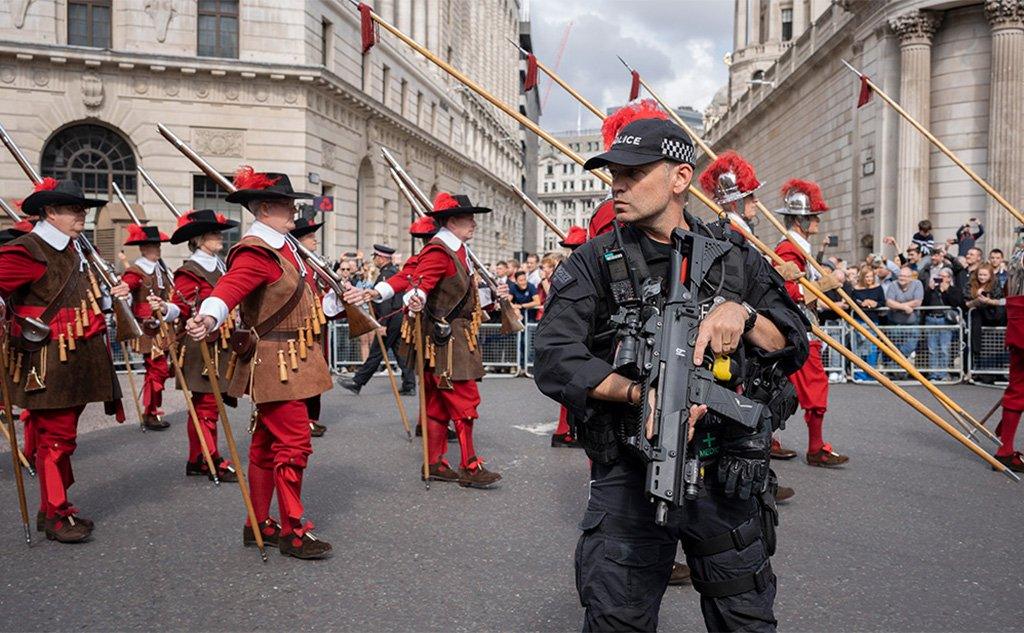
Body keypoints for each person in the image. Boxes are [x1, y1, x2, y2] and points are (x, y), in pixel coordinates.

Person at [534, 100, 809, 632]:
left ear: (680, 177)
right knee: (617, 616)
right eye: (614, 175)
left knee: (744, 618)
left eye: (634, 174)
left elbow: (791, 338)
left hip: (726, 473)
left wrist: (744, 314)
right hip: (631, 472)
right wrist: (638, 394)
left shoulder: (736, 257)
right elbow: (553, 354)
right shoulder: (594, 261)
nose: (618, 186)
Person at [186, 166, 336, 559]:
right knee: (293, 445)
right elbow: (229, 289)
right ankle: (293, 530)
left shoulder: (287, 248)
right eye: (287, 205)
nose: (294, 212)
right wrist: (210, 314)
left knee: (267, 446)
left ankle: (259, 523)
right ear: (266, 207)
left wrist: (339, 302)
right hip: (276, 360)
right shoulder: (257, 250)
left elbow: (306, 301)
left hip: (294, 356)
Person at [0, 178, 132, 543]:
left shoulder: (76, 250)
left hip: (77, 358)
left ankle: (51, 507)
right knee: (55, 438)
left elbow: (84, 298)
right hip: (47, 359)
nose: (82, 215)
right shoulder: (28, 250)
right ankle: (56, 512)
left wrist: (111, 298)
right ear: (49, 212)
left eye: (82, 209)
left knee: (60, 437)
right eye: (74, 209)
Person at [347, 192, 503, 488]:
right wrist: (412, 297)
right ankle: (469, 465)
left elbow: (410, 274)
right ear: (453, 221)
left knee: (436, 403)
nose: (474, 224)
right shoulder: (440, 250)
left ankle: (434, 462)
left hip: (449, 336)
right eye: (469, 218)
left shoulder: (453, 249)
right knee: (465, 400)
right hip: (449, 338)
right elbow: (418, 282)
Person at [698, 150, 799, 495]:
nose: (756, 202)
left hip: (755, 333)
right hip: (737, 344)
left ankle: (758, 482)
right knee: (739, 420)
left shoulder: (747, 237)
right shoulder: (727, 238)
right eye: (750, 196)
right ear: (737, 202)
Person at [774, 179, 850, 468]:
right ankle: (815, 448)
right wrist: (822, 288)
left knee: (780, 386)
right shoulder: (789, 249)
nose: (817, 221)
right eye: (813, 216)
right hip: (798, 327)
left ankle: (776, 441)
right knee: (814, 387)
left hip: (802, 325)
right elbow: (789, 292)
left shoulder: (800, 248)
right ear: (801, 220)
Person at [165, 208, 240, 482]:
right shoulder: (188, 271)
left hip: (223, 343)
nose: (220, 236)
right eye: (213, 233)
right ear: (198, 239)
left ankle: (197, 458)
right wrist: (165, 310)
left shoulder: (222, 266)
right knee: (206, 404)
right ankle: (211, 459)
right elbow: (180, 307)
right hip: (201, 344)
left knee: (209, 404)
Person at [339, 243, 417, 397]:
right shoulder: (392, 272)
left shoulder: (386, 275)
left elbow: (387, 303)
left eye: (375, 257)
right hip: (396, 318)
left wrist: (382, 324)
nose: (374, 260)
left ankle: (357, 382)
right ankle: (409, 384)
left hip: (390, 318)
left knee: (376, 351)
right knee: (399, 352)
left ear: (381, 258)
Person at [121, 224, 176, 431]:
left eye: (158, 246)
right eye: (153, 246)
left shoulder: (161, 270)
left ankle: (152, 410)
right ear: (143, 249)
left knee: (160, 370)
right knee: (157, 370)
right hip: (147, 328)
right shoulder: (136, 271)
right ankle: (150, 412)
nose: (158, 249)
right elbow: (126, 287)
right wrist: (124, 291)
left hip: (164, 325)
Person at [289, 217, 330, 437]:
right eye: (310, 237)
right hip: (302, 328)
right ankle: (303, 419)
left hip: (316, 328)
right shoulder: (297, 265)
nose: (315, 240)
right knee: (304, 375)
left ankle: (311, 418)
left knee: (316, 375)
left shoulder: (314, 264)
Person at [995, 235, 1024, 472]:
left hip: (1018, 325)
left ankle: (1005, 437)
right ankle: (1004, 445)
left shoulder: (1016, 256)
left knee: (1018, 388)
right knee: (1019, 389)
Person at [922, 266, 962, 382]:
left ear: (949, 278)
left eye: (943, 277)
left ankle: (943, 373)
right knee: (932, 348)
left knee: (944, 348)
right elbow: (925, 303)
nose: (940, 279)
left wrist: (946, 291)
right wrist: (929, 290)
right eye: (938, 276)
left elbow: (956, 303)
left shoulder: (954, 290)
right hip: (931, 319)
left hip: (944, 320)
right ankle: (933, 374)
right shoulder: (933, 289)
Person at [965, 263, 1006, 375]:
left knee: (995, 345)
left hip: (993, 315)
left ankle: (997, 373)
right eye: (980, 275)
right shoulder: (970, 285)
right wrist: (976, 301)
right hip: (977, 315)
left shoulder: (996, 284)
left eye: (984, 275)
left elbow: (1001, 301)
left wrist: (988, 301)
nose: (982, 277)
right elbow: (965, 303)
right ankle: (975, 368)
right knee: (975, 314)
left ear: (990, 276)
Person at [849, 265, 887, 380]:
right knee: (859, 348)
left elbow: (882, 302)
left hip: (872, 321)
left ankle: (871, 374)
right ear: (862, 277)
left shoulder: (878, 288)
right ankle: (859, 374)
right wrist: (861, 303)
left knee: (872, 348)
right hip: (859, 320)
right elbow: (853, 303)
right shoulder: (855, 289)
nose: (869, 279)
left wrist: (875, 304)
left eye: (871, 277)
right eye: (867, 277)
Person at [884, 266, 924, 359]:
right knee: (894, 348)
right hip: (895, 323)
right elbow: (889, 302)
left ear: (910, 277)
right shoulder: (893, 285)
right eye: (900, 276)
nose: (902, 278)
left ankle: (901, 361)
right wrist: (905, 307)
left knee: (909, 347)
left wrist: (897, 305)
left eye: (905, 276)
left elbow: (917, 301)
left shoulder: (917, 284)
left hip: (912, 323)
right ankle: (897, 371)